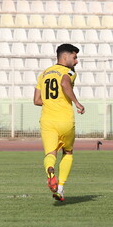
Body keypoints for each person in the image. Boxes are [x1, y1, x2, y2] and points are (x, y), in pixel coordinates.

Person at [34, 43, 85, 202]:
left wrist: (51, 103)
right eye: (74, 57)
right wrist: (77, 103)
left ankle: (50, 171)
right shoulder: (69, 71)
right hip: (64, 120)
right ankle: (60, 189)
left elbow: (36, 100)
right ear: (65, 56)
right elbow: (64, 83)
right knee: (68, 152)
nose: (76, 62)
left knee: (50, 154)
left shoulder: (43, 74)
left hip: (47, 121)